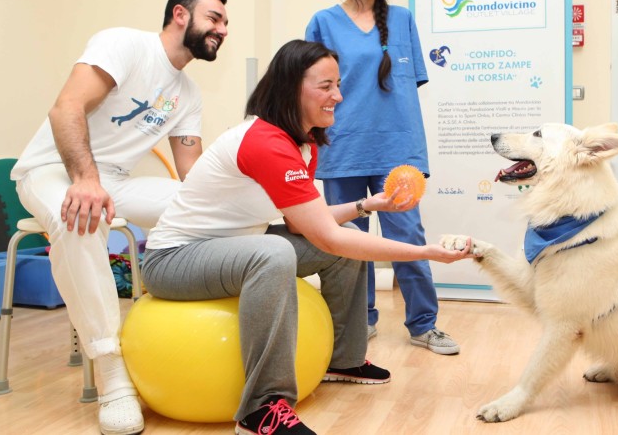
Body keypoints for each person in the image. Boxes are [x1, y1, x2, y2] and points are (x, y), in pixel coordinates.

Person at [142, 40, 471, 435]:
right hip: (174, 260)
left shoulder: (304, 141)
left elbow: (306, 224)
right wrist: (424, 252)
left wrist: (370, 205)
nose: (339, 95)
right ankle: (261, 409)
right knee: (276, 253)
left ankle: (343, 359)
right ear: (291, 87)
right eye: (326, 86)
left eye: (337, 84)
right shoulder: (265, 142)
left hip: (234, 247)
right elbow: (323, 237)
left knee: (337, 240)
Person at [10, 0, 229, 435]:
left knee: (210, 209)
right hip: (53, 168)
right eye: (214, 18)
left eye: (226, 23)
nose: (222, 29)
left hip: (116, 181)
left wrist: (234, 192)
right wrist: (85, 180)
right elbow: (66, 108)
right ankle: (112, 374)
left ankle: (201, 323)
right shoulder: (125, 44)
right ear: (181, 15)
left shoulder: (187, 93)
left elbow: (192, 176)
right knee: (82, 219)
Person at [305, 0, 458, 355]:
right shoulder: (323, 22)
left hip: (397, 147)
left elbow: (409, 88)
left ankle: (424, 324)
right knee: (350, 241)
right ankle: (361, 321)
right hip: (344, 146)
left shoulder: (403, 20)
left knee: (407, 236)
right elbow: (309, 88)